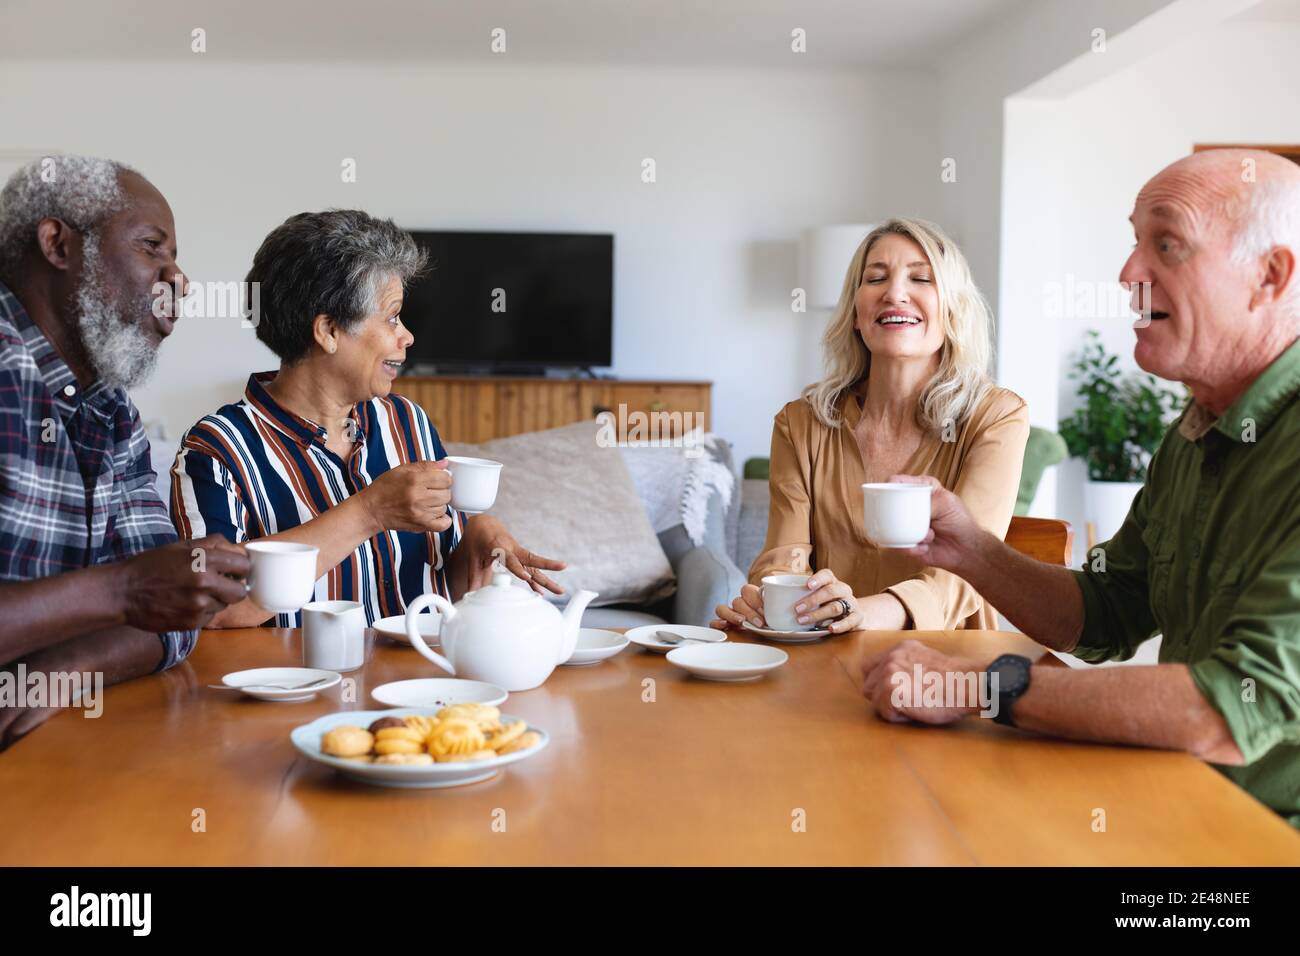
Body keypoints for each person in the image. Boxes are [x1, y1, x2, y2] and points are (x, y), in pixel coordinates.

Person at [861, 149, 1300, 827]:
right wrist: (973, 552)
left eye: (1168, 244)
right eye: (1134, 242)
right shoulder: (1195, 431)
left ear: (1270, 276)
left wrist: (980, 685)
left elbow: (1233, 709)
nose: (1128, 273)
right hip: (1177, 803)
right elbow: (1108, 612)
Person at [171, 209, 563, 627]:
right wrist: (368, 512)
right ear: (328, 331)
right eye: (392, 316)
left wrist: (479, 540)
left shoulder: (407, 422)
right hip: (301, 688)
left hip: (419, 684)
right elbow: (212, 608)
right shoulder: (215, 450)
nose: (407, 335)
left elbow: (442, 584)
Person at [0, 155, 248, 748]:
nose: (180, 280)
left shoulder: (110, 411)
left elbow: (175, 615)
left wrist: (53, 676)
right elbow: (146, 593)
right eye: (152, 248)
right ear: (58, 245)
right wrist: (123, 591)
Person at [713, 218, 1027, 635]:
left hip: (945, 670)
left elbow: (969, 567)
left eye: (921, 278)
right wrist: (770, 600)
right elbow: (782, 556)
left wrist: (861, 612)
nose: (895, 293)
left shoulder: (996, 417)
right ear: (857, 314)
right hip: (822, 659)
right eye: (876, 278)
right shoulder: (801, 423)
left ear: (952, 310)